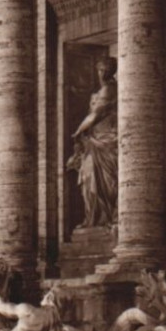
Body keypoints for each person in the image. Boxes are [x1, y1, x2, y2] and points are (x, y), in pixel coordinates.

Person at [66, 58, 118, 229]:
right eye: (100, 70)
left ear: (112, 72)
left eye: (106, 70)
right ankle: (93, 218)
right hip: (94, 142)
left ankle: (106, 217)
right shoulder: (100, 92)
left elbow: (95, 115)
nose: (103, 73)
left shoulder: (109, 90)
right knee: (88, 178)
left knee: (107, 180)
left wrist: (78, 130)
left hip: (107, 141)